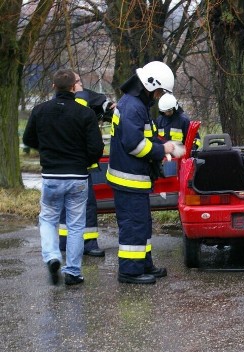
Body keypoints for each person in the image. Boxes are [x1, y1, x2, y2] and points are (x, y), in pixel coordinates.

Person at [22, 69, 104, 286]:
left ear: (53, 87)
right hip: (78, 176)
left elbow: (28, 138)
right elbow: (96, 147)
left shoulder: (40, 111)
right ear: (73, 88)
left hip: (51, 175)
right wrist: (83, 160)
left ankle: (52, 256)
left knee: (48, 218)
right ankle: (74, 272)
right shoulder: (85, 114)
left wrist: (48, 149)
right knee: (76, 224)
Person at [107, 61, 177, 284]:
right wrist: (162, 150)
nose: (159, 96)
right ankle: (130, 271)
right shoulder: (133, 107)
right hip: (129, 180)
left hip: (135, 179)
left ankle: (143, 264)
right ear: (150, 85)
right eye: (159, 91)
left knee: (142, 224)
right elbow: (135, 145)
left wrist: (165, 145)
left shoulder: (136, 104)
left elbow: (147, 137)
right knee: (134, 226)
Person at [59, 73, 116, 257]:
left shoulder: (58, 104)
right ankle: (85, 243)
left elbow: (103, 103)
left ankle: (70, 242)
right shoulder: (77, 106)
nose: (81, 84)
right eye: (77, 82)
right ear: (71, 86)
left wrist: (109, 107)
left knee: (71, 205)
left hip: (64, 168)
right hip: (78, 167)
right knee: (83, 205)